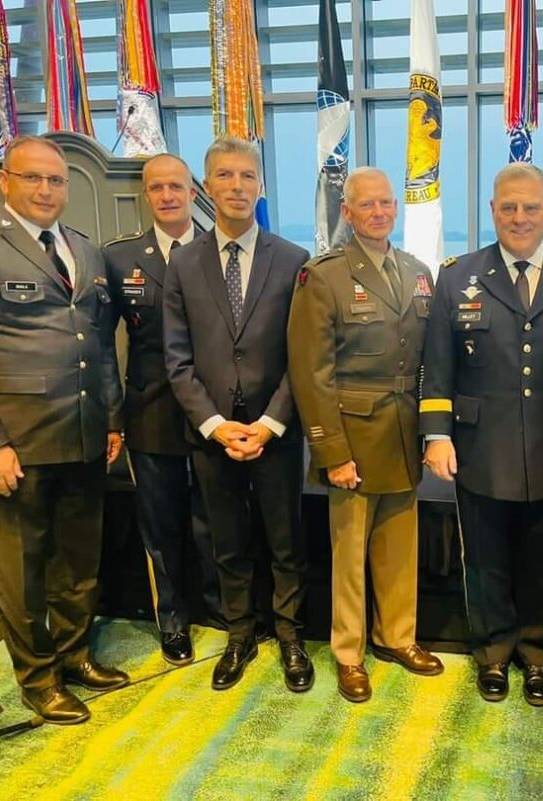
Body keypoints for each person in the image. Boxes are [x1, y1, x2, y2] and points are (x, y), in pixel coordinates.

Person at [0, 135, 128, 724]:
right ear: (4, 182)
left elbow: (98, 343)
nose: (46, 189)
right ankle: (38, 677)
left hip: (83, 434)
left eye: (56, 179)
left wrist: (112, 419)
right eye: (33, 177)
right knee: (22, 569)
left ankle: (74, 654)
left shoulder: (84, 249)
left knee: (78, 561)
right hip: (15, 443)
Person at [420, 162, 543, 706]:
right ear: (492, 210)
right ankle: (494, 653)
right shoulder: (458, 275)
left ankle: (540, 654)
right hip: (480, 445)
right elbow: (438, 365)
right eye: (508, 207)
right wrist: (436, 435)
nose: (519, 217)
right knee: (485, 559)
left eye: (530, 207)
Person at [287, 167, 443, 703]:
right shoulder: (323, 276)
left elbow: (429, 361)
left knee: (399, 547)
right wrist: (331, 451)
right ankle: (349, 653)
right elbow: (311, 373)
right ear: (347, 213)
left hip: (403, 431)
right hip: (352, 435)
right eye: (367, 205)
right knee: (349, 557)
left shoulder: (418, 271)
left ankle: (397, 637)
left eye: (386, 203)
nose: (379, 213)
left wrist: (431, 433)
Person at [162, 137, 312, 693]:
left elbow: (304, 357)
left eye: (248, 176)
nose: (237, 186)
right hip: (213, 434)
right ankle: (240, 634)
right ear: (207, 187)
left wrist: (270, 423)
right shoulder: (184, 263)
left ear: (261, 186)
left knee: (285, 541)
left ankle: (290, 635)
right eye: (225, 175)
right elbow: (176, 359)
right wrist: (214, 424)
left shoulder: (293, 260)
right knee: (226, 543)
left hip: (275, 431)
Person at [103, 154, 221, 666]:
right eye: (156, 188)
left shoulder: (219, 250)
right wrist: (113, 417)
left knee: (215, 519)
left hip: (213, 411)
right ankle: (172, 619)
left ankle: (221, 610)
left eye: (176, 186)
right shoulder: (119, 258)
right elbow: (103, 347)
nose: (167, 196)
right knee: (161, 524)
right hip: (151, 411)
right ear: (146, 195)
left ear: (193, 192)